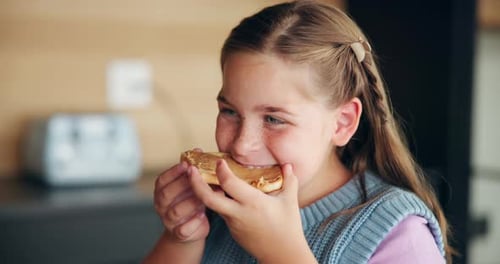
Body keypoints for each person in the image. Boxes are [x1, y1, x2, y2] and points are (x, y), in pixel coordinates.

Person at [143, 1, 452, 263]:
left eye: (274, 119)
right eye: (230, 112)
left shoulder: (398, 232)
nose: (241, 145)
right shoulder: (217, 205)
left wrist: (283, 254)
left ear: (342, 123)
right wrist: (182, 237)